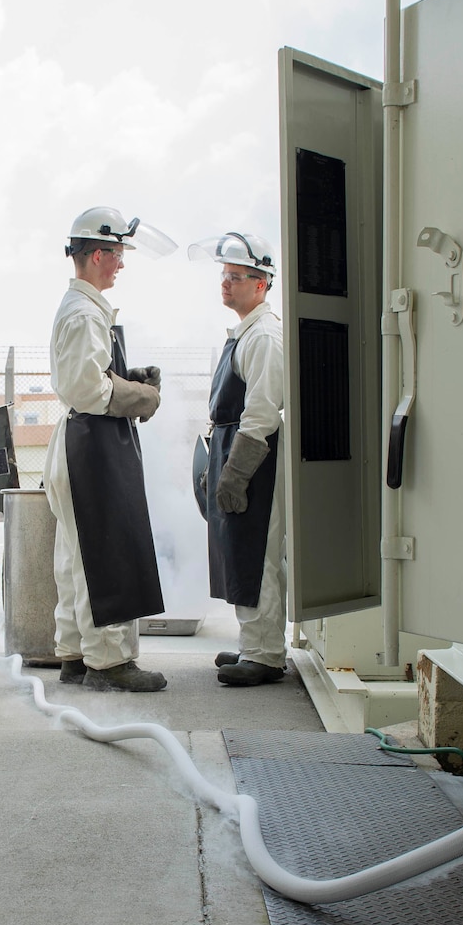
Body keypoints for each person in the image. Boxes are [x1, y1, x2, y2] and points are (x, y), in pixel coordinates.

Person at [42, 207, 170, 692]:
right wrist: (143, 396)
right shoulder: (84, 314)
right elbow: (87, 390)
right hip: (91, 447)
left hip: (79, 442)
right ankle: (110, 663)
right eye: (117, 254)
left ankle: (76, 656)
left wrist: (126, 377)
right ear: (97, 255)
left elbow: (88, 379)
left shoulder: (83, 309)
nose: (121, 264)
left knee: (78, 558)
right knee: (107, 553)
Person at [192, 232, 288, 686]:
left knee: (257, 554)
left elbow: (262, 413)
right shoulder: (246, 332)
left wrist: (236, 474)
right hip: (236, 452)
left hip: (256, 459)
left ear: (262, 283)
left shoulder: (265, 336)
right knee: (241, 553)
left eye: (236, 277)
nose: (226, 284)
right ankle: (255, 644)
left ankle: (265, 656)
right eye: (225, 276)